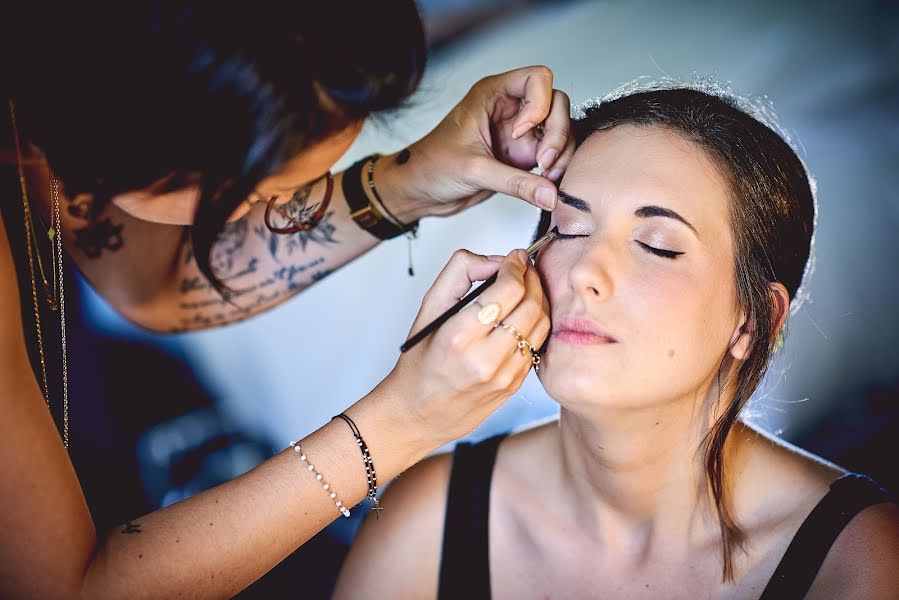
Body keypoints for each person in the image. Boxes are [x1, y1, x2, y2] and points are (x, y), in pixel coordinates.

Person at [0, 2, 576, 597]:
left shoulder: (61, 96)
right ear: (124, 130)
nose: (284, 211)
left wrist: (411, 178)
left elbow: (150, 282)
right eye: (254, 197)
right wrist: (406, 418)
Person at [335, 84, 899, 599]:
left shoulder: (859, 560)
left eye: (656, 245)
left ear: (752, 321)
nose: (585, 272)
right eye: (571, 229)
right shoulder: (429, 519)